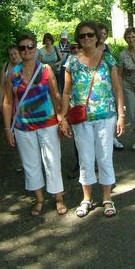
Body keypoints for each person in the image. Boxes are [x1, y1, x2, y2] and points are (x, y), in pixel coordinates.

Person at [61, 21, 125, 218]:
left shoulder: (108, 60)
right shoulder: (71, 62)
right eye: (82, 36)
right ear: (78, 39)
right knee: (85, 159)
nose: (86, 38)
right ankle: (86, 198)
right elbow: (66, 92)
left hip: (106, 117)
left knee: (105, 156)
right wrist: (63, 118)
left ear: (97, 37)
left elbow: (117, 89)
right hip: (81, 119)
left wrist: (121, 115)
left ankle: (107, 198)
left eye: (90, 34)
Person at [3, 33, 67, 216]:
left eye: (30, 46)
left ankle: (58, 197)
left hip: (48, 124)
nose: (26, 51)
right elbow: (7, 102)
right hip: (23, 127)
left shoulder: (45, 69)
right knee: (31, 164)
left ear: (35, 48)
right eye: (22, 48)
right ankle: (39, 199)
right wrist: (8, 128)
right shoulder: (13, 74)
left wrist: (61, 119)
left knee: (52, 160)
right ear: (18, 50)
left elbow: (56, 95)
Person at [59, 39, 83, 179]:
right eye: (72, 48)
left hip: (91, 105)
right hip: (74, 105)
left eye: (77, 47)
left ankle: (95, 163)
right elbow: (63, 88)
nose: (75, 50)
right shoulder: (65, 63)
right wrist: (64, 112)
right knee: (78, 137)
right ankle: (79, 165)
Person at [0, 45, 23, 172]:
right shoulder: (6, 66)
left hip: (23, 103)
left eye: (15, 53)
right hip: (11, 103)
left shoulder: (27, 64)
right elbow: (2, 85)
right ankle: (21, 160)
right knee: (15, 132)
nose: (14, 56)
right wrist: (1, 101)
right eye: (11, 54)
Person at [97, 23, 123, 149]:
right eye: (101, 33)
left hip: (110, 80)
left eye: (105, 34)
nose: (103, 36)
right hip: (99, 81)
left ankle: (113, 138)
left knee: (112, 109)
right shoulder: (93, 48)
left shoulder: (108, 48)